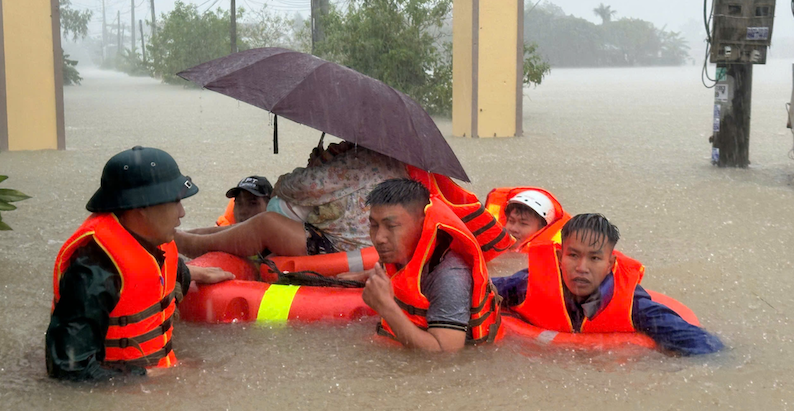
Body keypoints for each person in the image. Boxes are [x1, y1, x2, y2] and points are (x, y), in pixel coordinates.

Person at [46, 146, 234, 381]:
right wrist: (148, 375)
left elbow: (152, 278)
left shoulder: (153, 240)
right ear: (141, 207)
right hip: (121, 397)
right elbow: (68, 369)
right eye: (175, 201)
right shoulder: (93, 273)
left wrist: (192, 273)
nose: (182, 212)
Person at [492, 213, 724, 356]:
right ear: (560, 257)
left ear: (610, 263)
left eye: (594, 258)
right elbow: (479, 288)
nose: (582, 267)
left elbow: (697, 343)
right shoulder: (527, 284)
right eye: (573, 255)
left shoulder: (631, 303)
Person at [341, 179, 502, 351]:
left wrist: (386, 308)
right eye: (374, 225)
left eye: (391, 226)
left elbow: (446, 353)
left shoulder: (450, 276)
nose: (379, 237)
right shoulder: (397, 252)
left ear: (423, 224)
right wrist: (361, 276)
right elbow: (399, 276)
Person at [175, 142, 408, 258]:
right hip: (365, 242)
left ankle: (188, 244)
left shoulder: (358, 162)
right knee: (247, 226)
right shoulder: (395, 161)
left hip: (343, 246)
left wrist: (319, 164)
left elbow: (291, 187)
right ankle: (186, 235)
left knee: (266, 224)